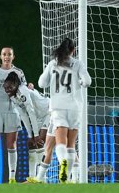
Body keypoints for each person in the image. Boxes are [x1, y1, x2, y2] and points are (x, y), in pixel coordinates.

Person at [38, 38, 91, 183]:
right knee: (71, 144)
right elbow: (87, 82)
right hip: (75, 107)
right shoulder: (78, 64)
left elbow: (41, 83)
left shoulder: (53, 63)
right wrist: (79, 82)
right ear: (73, 50)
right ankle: (72, 179)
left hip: (57, 107)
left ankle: (63, 164)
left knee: (60, 142)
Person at [0, 47, 27, 184]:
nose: (7, 57)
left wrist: (29, 88)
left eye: (9, 54)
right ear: (0, 56)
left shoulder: (18, 72)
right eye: (4, 54)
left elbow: (24, 91)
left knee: (12, 145)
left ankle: (12, 178)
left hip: (12, 112)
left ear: (13, 57)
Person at [3, 72, 49, 183]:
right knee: (31, 143)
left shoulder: (23, 91)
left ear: (15, 85)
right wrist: (30, 135)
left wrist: (36, 135)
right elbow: (23, 115)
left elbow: (30, 112)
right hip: (38, 116)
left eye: (10, 87)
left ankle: (42, 178)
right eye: (5, 88)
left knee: (40, 141)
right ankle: (32, 177)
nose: (7, 90)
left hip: (48, 111)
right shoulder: (12, 96)